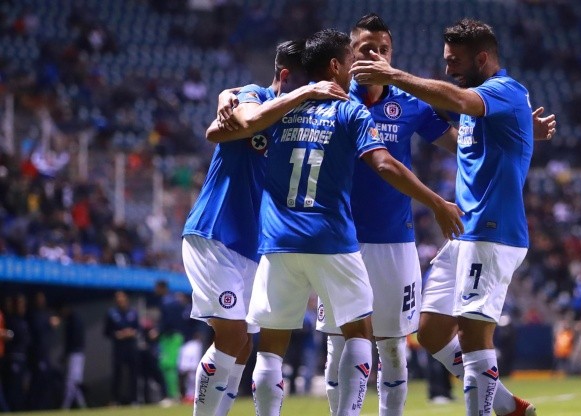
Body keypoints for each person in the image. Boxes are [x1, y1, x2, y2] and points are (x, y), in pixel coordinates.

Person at [321, 13, 556, 416]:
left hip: (489, 232)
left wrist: (394, 76)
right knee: (429, 332)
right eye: (367, 51)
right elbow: (466, 137)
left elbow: (460, 103)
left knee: (465, 333)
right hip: (451, 233)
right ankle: (504, 405)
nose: (447, 68)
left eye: (454, 62)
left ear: (482, 59)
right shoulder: (335, 99)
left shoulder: (501, 91)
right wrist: (521, 129)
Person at [245, 28, 463, 416]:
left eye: (384, 50)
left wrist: (230, 98)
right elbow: (382, 162)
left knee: (277, 347)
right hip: (337, 241)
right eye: (360, 53)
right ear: (340, 62)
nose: (373, 58)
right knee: (351, 339)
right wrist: (435, 202)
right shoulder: (348, 106)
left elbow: (236, 126)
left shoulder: (280, 106)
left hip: (294, 241)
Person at [183, 39, 346, 416]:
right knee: (233, 336)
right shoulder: (253, 95)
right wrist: (234, 95)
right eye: (305, 83)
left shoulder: (292, 121)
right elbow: (234, 125)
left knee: (242, 344)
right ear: (287, 77)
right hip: (215, 233)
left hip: (251, 245)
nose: (312, 93)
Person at [103, 290, 140, 406]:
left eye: (122, 298)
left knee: (133, 373)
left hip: (131, 346)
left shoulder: (133, 312)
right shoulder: (111, 313)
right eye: (118, 299)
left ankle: (134, 399)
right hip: (118, 347)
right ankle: (115, 399)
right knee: (117, 374)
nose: (121, 301)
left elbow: (138, 328)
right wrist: (116, 334)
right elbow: (106, 332)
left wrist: (132, 333)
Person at [60, 303, 87, 409]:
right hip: (77, 353)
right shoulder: (74, 320)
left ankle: (65, 406)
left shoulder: (73, 321)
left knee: (71, 382)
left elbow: (71, 341)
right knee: (74, 382)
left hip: (75, 354)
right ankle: (82, 405)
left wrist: (66, 353)